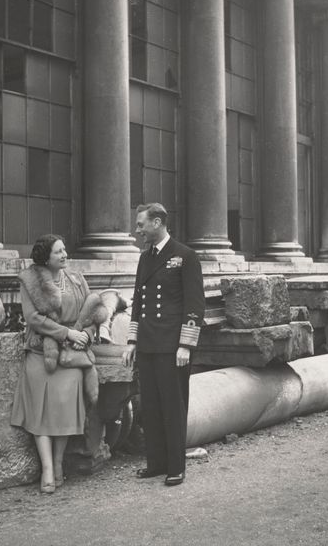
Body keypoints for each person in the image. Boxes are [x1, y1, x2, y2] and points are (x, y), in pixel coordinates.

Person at [11, 234, 103, 494]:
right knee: (40, 412)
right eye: (58, 252)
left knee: (63, 410)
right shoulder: (31, 281)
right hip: (42, 352)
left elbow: (93, 313)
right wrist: (65, 333)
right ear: (45, 257)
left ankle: (60, 462)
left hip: (72, 355)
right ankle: (48, 469)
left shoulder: (76, 279)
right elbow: (33, 318)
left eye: (64, 250)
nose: (64, 255)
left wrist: (87, 334)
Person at [123, 203, 205, 486]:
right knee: (151, 406)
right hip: (147, 343)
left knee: (173, 406)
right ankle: (156, 463)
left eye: (141, 224)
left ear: (157, 223)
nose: (137, 230)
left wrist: (186, 345)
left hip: (172, 346)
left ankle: (175, 466)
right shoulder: (145, 258)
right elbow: (138, 302)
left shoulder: (185, 256)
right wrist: (132, 340)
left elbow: (194, 306)